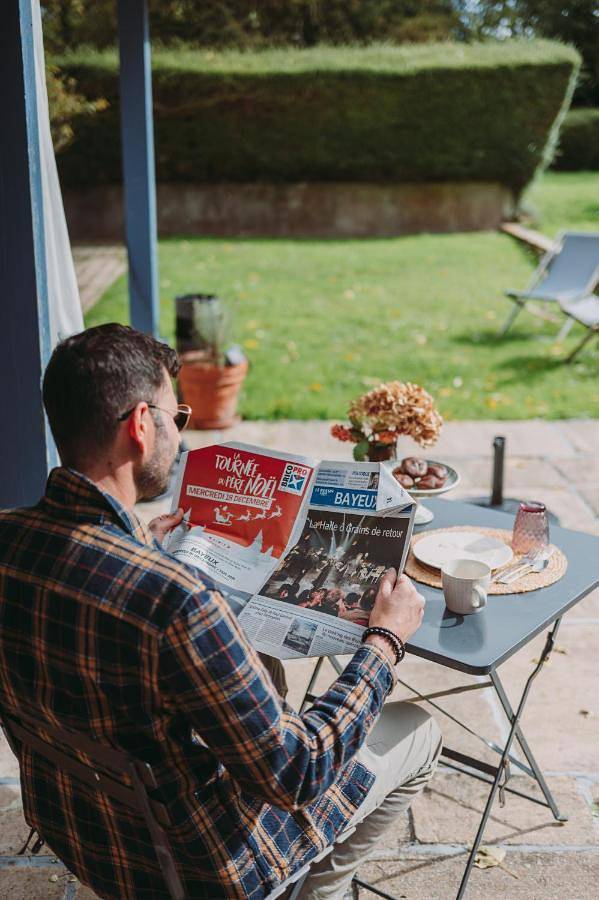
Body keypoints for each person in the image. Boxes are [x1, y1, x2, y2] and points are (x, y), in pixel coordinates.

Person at [0, 324, 441, 900]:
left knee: (263, 671)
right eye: (174, 418)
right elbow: (298, 774)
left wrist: (137, 547)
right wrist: (384, 641)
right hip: (201, 872)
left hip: (84, 834)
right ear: (140, 425)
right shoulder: (174, 600)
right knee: (420, 732)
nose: (178, 439)